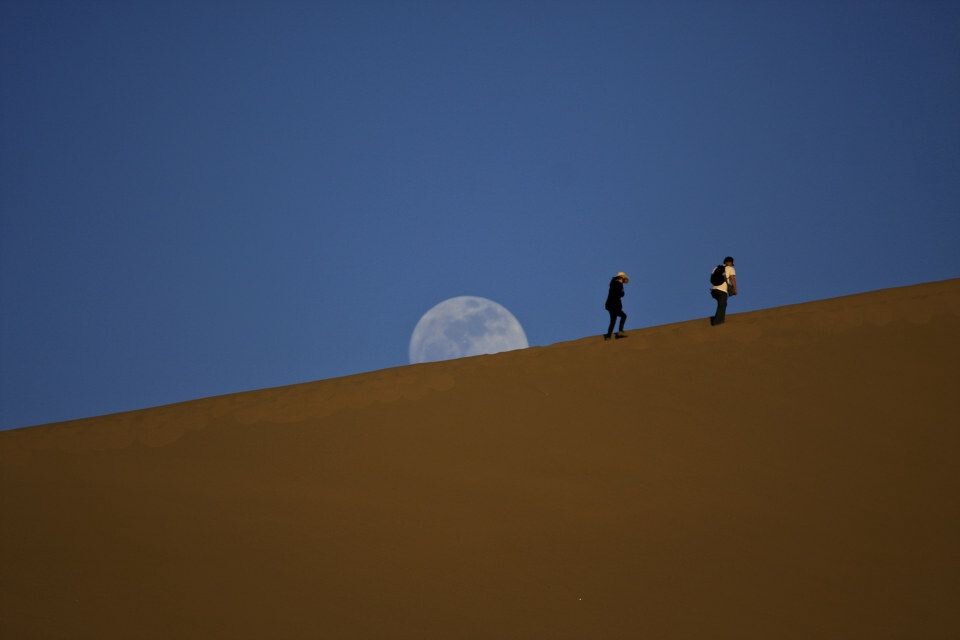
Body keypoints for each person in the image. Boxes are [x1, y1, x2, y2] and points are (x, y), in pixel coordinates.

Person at [710, 256, 737, 326]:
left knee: (722, 304)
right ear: (730, 262)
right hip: (722, 290)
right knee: (722, 305)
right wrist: (735, 289)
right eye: (731, 263)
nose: (732, 264)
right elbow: (732, 279)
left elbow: (712, 278)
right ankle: (718, 322)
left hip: (714, 290)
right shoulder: (730, 268)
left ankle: (718, 321)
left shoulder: (716, 268)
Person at [604, 271, 629, 340]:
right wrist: (622, 292)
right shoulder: (619, 284)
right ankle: (620, 332)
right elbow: (620, 294)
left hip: (609, 305)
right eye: (623, 279)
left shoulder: (613, 283)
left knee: (613, 321)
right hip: (614, 305)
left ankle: (608, 336)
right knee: (623, 316)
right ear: (621, 278)